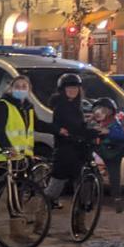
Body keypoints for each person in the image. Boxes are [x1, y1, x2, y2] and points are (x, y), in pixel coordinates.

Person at [0, 75, 36, 242]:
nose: (21, 89)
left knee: (17, 192)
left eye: (24, 86)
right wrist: (8, 148)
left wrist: (60, 129)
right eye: (18, 86)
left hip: (20, 157)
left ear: (29, 90)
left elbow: (37, 126)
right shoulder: (4, 105)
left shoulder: (28, 107)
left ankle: (16, 231)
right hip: (2, 156)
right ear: (11, 88)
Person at [88, 97, 124, 212]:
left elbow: (122, 135)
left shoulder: (114, 122)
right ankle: (92, 197)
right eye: (98, 110)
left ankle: (117, 198)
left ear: (110, 112)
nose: (100, 113)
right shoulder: (94, 122)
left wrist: (108, 132)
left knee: (114, 174)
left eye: (104, 110)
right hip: (102, 151)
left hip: (114, 152)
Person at [43, 73, 92, 206]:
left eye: (75, 88)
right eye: (69, 88)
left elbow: (79, 126)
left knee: (82, 188)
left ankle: (80, 222)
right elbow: (69, 127)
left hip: (77, 151)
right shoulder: (61, 106)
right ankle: (40, 217)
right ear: (63, 90)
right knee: (55, 188)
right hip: (65, 152)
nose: (72, 91)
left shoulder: (77, 106)